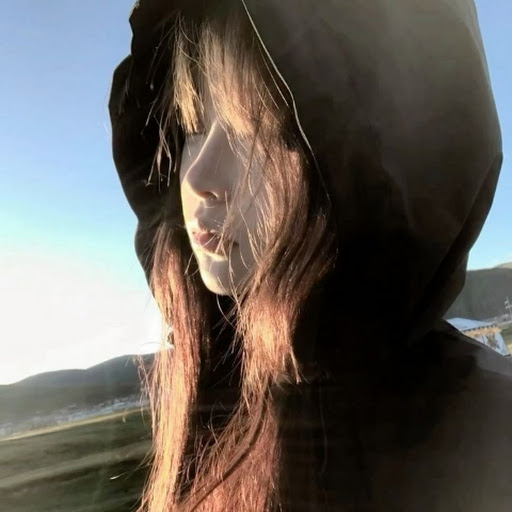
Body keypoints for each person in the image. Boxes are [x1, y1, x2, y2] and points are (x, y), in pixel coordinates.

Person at [109, 1, 512, 510]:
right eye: (192, 127)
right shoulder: (211, 397)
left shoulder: (490, 437)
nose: (197, 178)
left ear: (361, 164)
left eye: (259, 131)